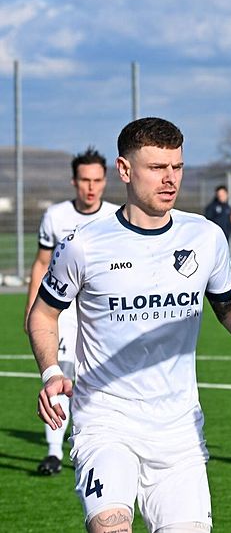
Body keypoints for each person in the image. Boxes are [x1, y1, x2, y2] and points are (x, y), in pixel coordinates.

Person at [28, 117, 231, 533]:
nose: (170, 179)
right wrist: (51, 371)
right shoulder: (84, 245)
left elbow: (230, 308)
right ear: (125, 170)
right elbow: (43, 312)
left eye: (176, 167)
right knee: (110, 525)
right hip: (106, 420)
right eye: (157, 168)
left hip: (178, 429)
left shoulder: (206, 237)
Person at [23, 146, 120, 476]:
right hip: (62, 313)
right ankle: (53, 452)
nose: (90, 187)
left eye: (96, 180)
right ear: (73, 181)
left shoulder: (116, 216)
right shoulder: (55, 216)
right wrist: (31, 309)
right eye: (84, 180)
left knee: (99, 378)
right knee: (58, 375)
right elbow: (41, 263)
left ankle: (99, 442)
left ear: (105, 181)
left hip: (101, 314)